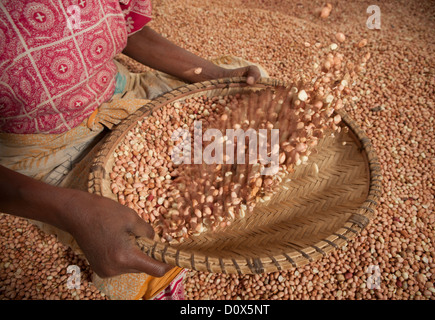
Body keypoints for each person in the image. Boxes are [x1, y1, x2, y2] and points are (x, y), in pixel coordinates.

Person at [0, 0, 266, 299]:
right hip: (47, 147)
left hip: (120, 91)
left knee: (255, 92)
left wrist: (212, 75)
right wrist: (71, 210)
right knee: (142, 239)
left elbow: (129, 29)